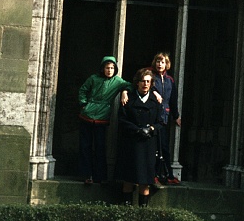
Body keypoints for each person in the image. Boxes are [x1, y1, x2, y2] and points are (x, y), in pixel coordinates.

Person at [78, 56, 132, 185]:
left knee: (100, 147)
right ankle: (86, 175)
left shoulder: (117, 81)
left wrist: (124, 92)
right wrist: (84, 104)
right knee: (85, 146)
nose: (109, 70)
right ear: (102, 68)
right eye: (107, 67)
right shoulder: (93, 78)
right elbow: (83, 90)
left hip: (102, 117)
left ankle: (100, 176)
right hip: (87, 115)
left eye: (112, 68)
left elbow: (130, 85)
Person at [114, 68, 162, 206]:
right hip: (131, 143)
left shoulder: (155, 101)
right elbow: (122, 119)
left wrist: (150, 129)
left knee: (144, 181)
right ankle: (126, 210)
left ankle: (142, 212)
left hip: (148, 145)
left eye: (148, 81)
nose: (145, 84)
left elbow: (160, 123)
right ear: (137, 83)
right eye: (142, 81)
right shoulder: (128, 99)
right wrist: (136, 130)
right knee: (128, 180)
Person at [150, 52, 182, 186]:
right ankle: (154, 175)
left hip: (164, 117)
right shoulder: (150, 77)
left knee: (164, 147)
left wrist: (176, 116)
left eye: (162, 62)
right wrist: (154, 92)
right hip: (152, 116)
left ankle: (168, 175)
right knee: (154, 147)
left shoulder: (170, 80)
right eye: (158, 61)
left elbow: (173, 100)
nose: (159, 64)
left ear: (166, 64)